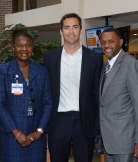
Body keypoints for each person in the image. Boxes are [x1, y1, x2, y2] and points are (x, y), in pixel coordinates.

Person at [43, 13, 103, 162]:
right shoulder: (49, 58)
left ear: (81, 30)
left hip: (84, 121)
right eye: (67, 27)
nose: (71, 31)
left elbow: (98, 93)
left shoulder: (94, 59)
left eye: (75, 27)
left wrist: (97, 124)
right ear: (61, 31)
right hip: (58, 120)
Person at [0, 30, 52, 162]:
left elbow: (48, 103)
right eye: (20, 45)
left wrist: (39, 130)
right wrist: (16, 132)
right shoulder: (3, 71)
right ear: (13, 48)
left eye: (28, 45)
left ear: (32, 48)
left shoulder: (42, 71)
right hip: (11, 136)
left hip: (36, 137)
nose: (24, 49)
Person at [99, 28, 138, 162]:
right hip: (108, 141)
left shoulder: (131, 64)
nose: (106, 45)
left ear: (121, 42)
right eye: (103, 42)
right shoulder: (105, 67)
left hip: (126, 142)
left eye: (111, 42)